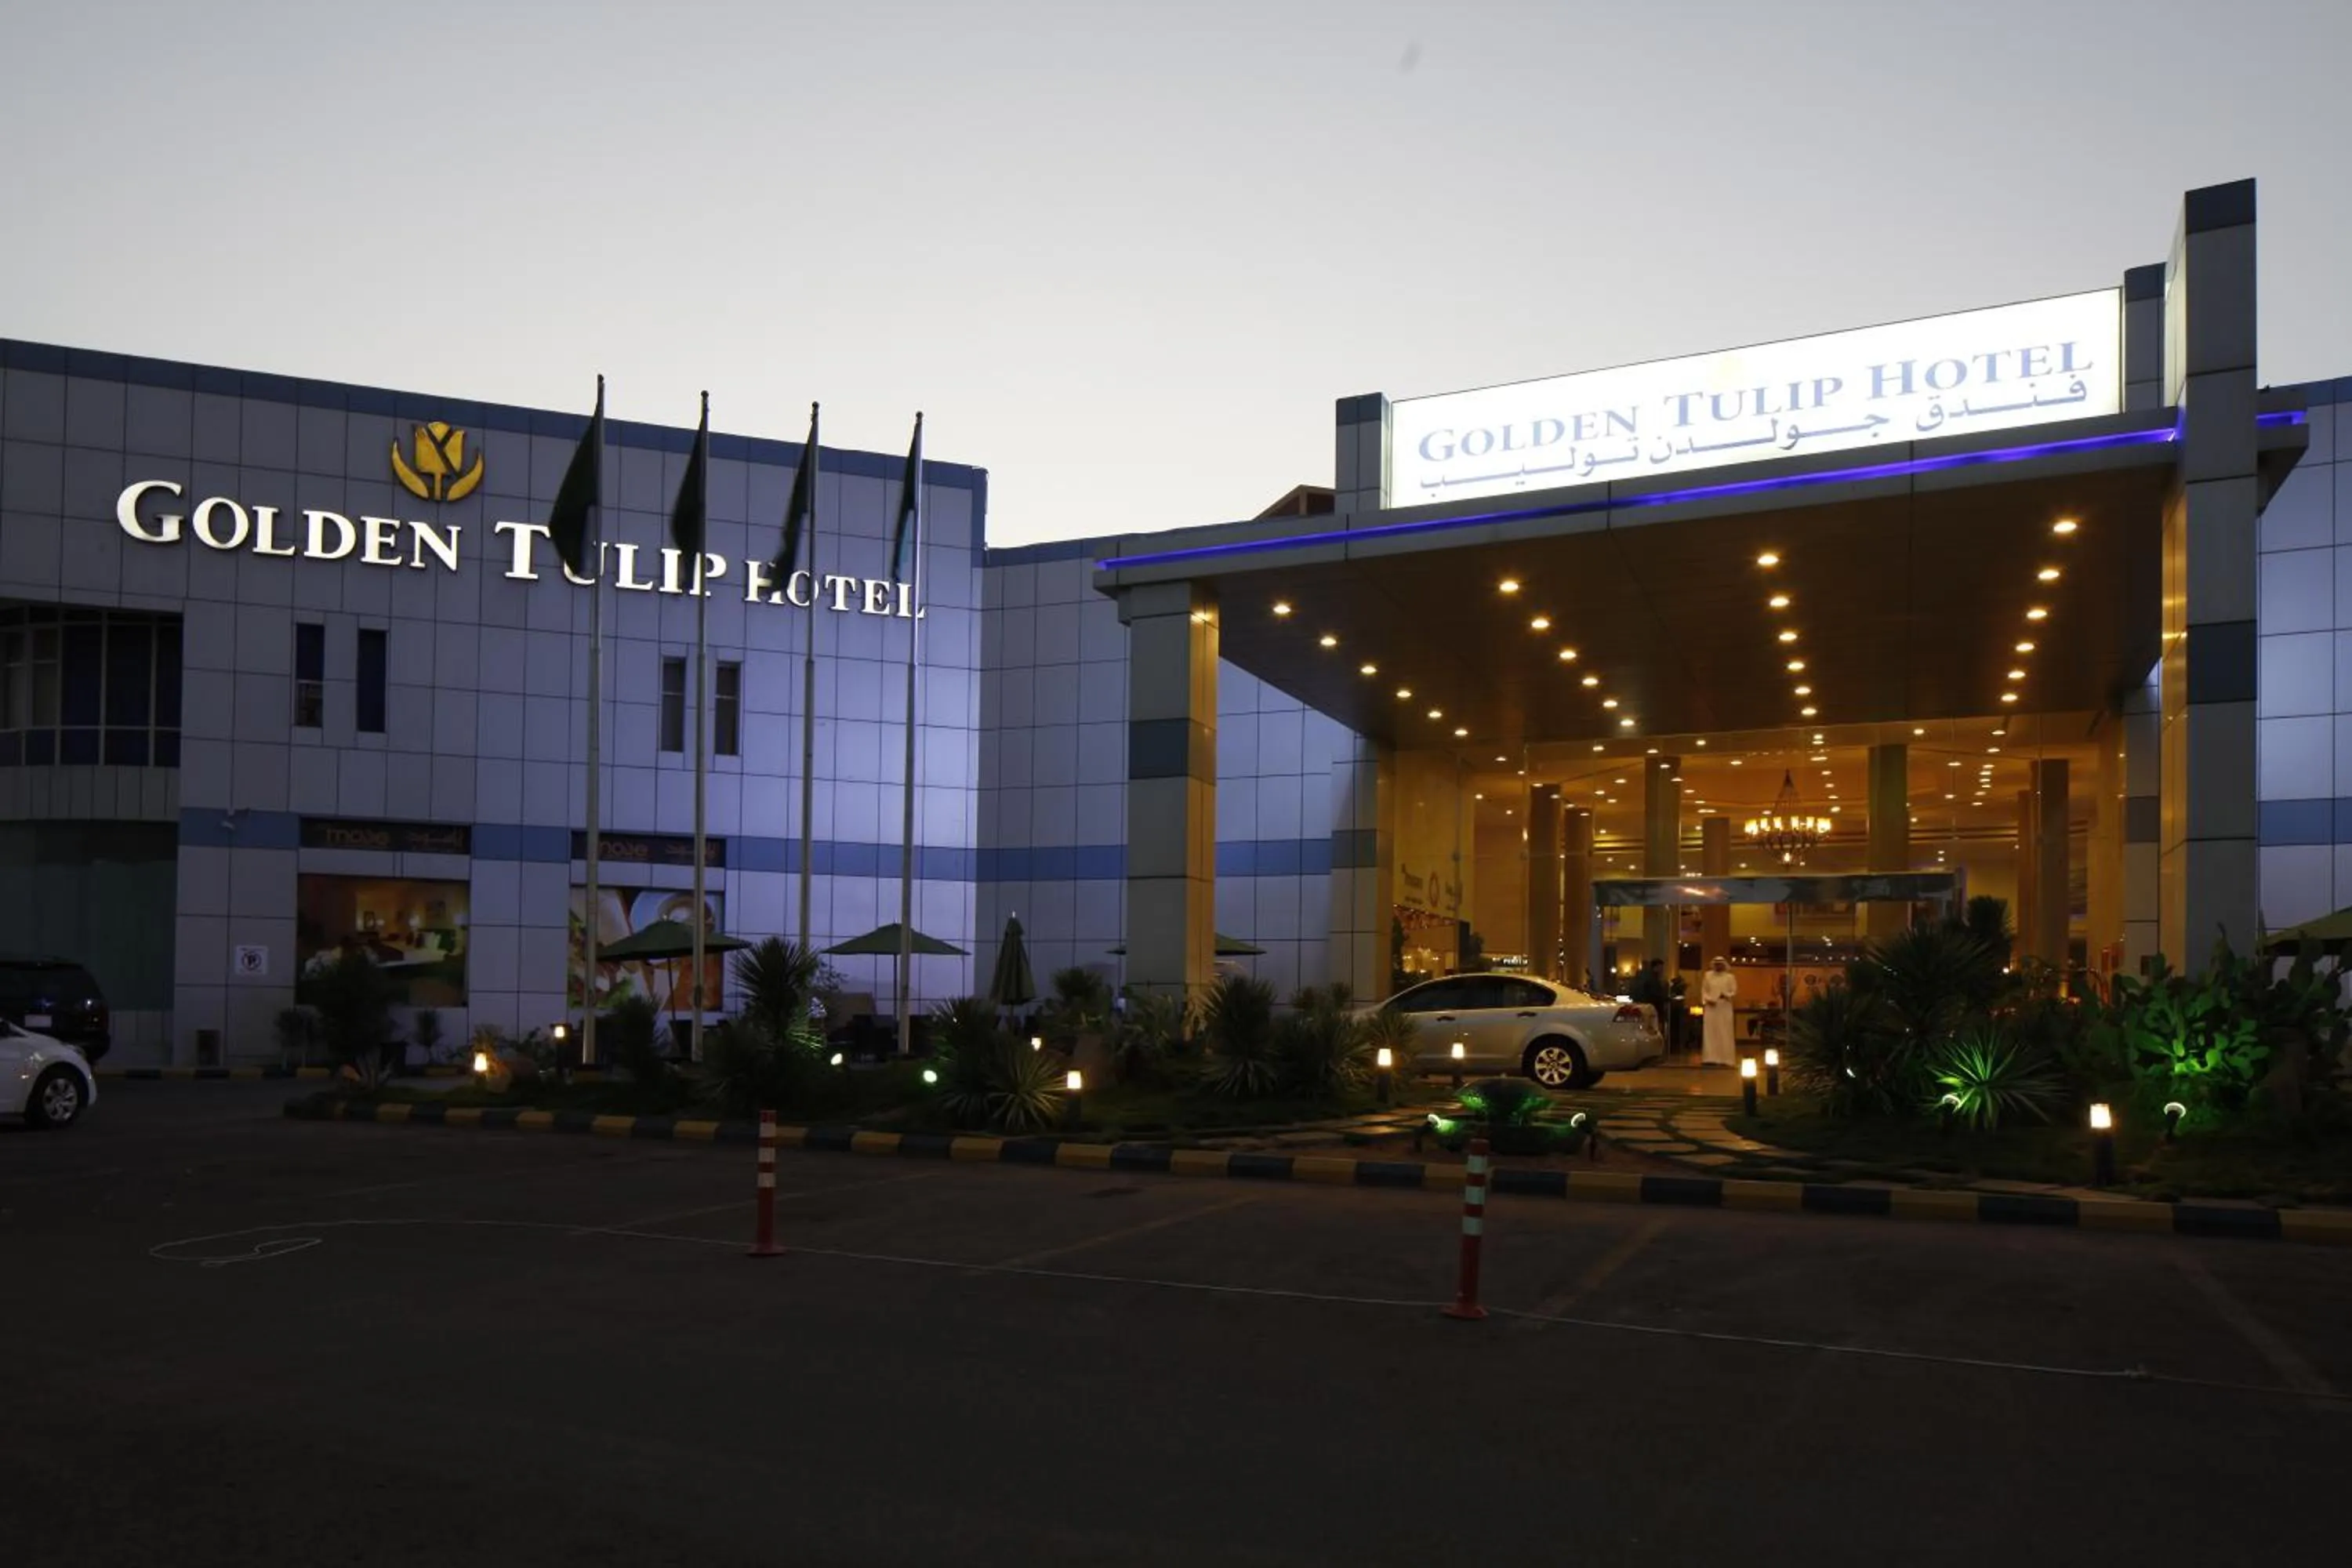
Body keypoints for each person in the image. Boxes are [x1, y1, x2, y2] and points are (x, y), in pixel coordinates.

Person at [1700, 956, 1740, 1069]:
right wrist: (1709, 999)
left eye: (1720, 964)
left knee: (1725, 1032)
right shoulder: (1708, 976)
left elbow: (1734, 991)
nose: (1718, 966)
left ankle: (1726, 1059)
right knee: (1710, 1032)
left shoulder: (1730, 977)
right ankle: (1710, 1058)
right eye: (1716, 964)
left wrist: (1725, 995)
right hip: (1711, 1007)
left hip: (1724, 1007)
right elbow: (1704, 991)